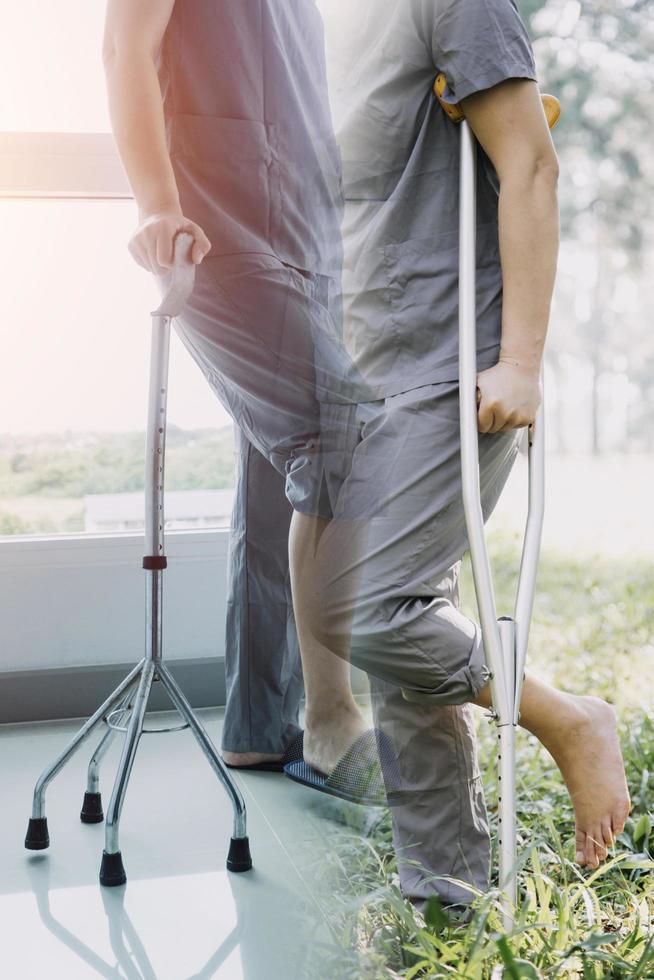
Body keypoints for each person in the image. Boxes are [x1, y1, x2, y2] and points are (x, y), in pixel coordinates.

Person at [285, 0, 631, 911]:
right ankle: (448, 892)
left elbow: (528, 164)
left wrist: (520, 358)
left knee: (366, 607)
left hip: (450, 360)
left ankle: (568, 720)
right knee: (409, 637)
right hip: (357, 354)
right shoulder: (316, 22)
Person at [102, 0, 351, 770]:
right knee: (341, 441)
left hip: (313, 232)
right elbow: (124, 49)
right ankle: (333, 717)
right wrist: (157, 206)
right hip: (217, 231)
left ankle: (257, 725)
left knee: (277, 482)